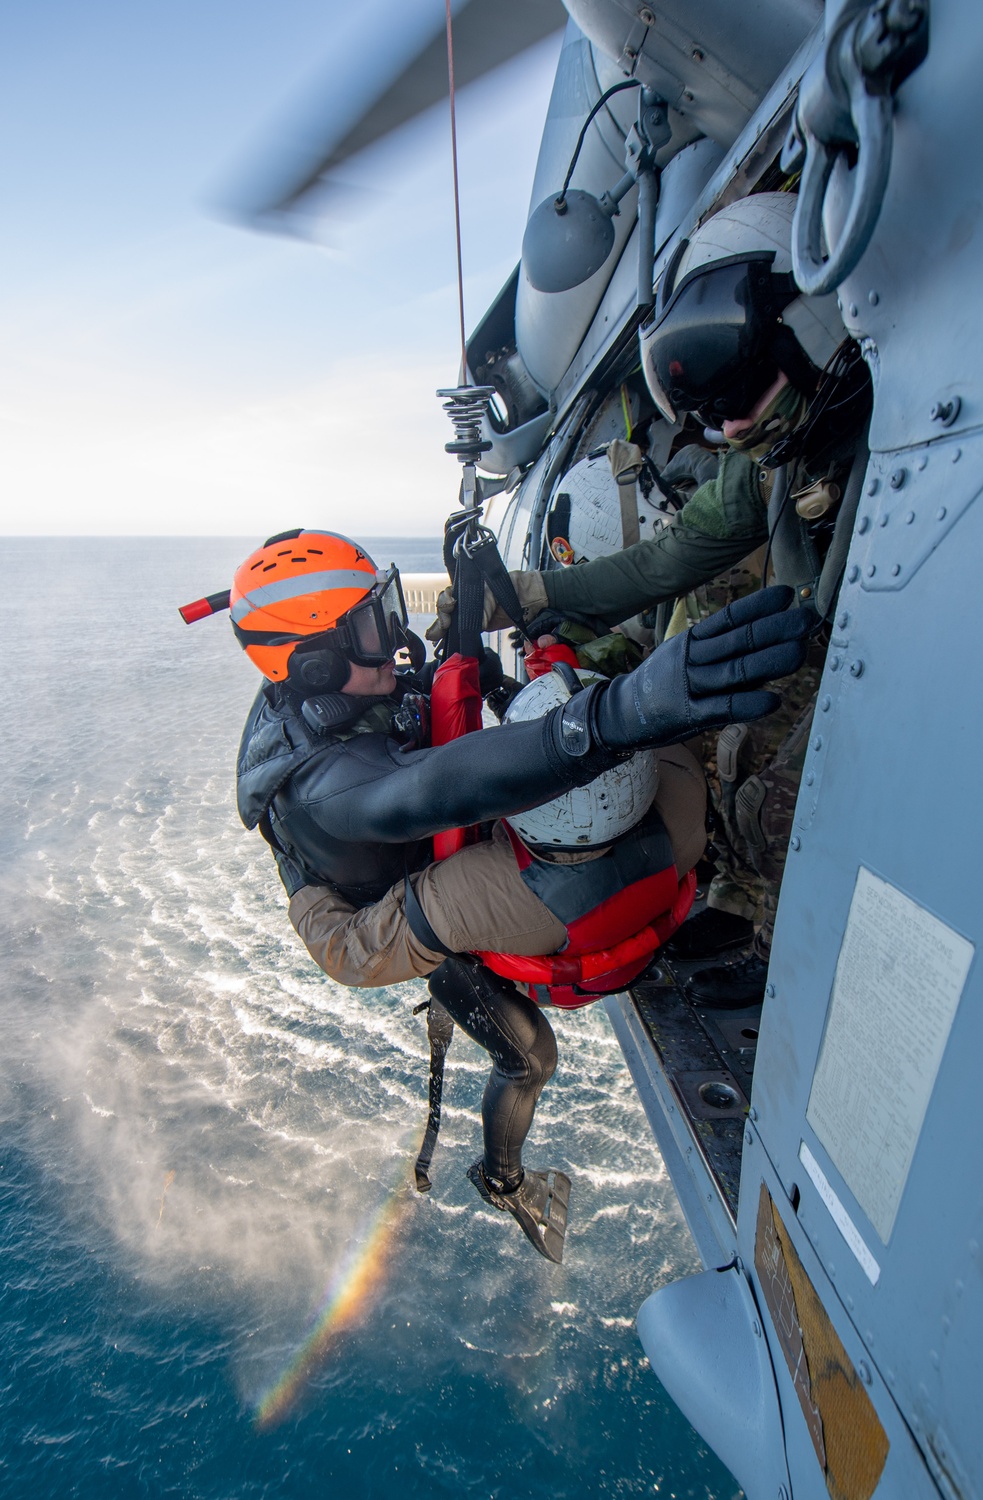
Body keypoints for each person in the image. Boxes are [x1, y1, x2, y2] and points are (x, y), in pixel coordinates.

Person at [185, 527, 809, 1261]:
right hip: (358, 921)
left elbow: (440, 741)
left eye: (385, 610)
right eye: (370, 627)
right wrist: (606, 718)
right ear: (317, 665)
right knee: (529, 1056)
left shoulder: (345, 690)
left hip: (400, 843)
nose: (392, 637)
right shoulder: (331, 788)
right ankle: (503, 1179)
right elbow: (429, 786)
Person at [432, 192, 872, 1009]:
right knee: (730, 752)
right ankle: (748, 910)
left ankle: (789, 957)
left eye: (743, 396)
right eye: (717, 417)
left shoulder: (886, 429)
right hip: (824, 642)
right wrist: (534, 594)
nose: (735, 428)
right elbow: (666, 562)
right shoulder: (771, 460)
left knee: (773, 795)